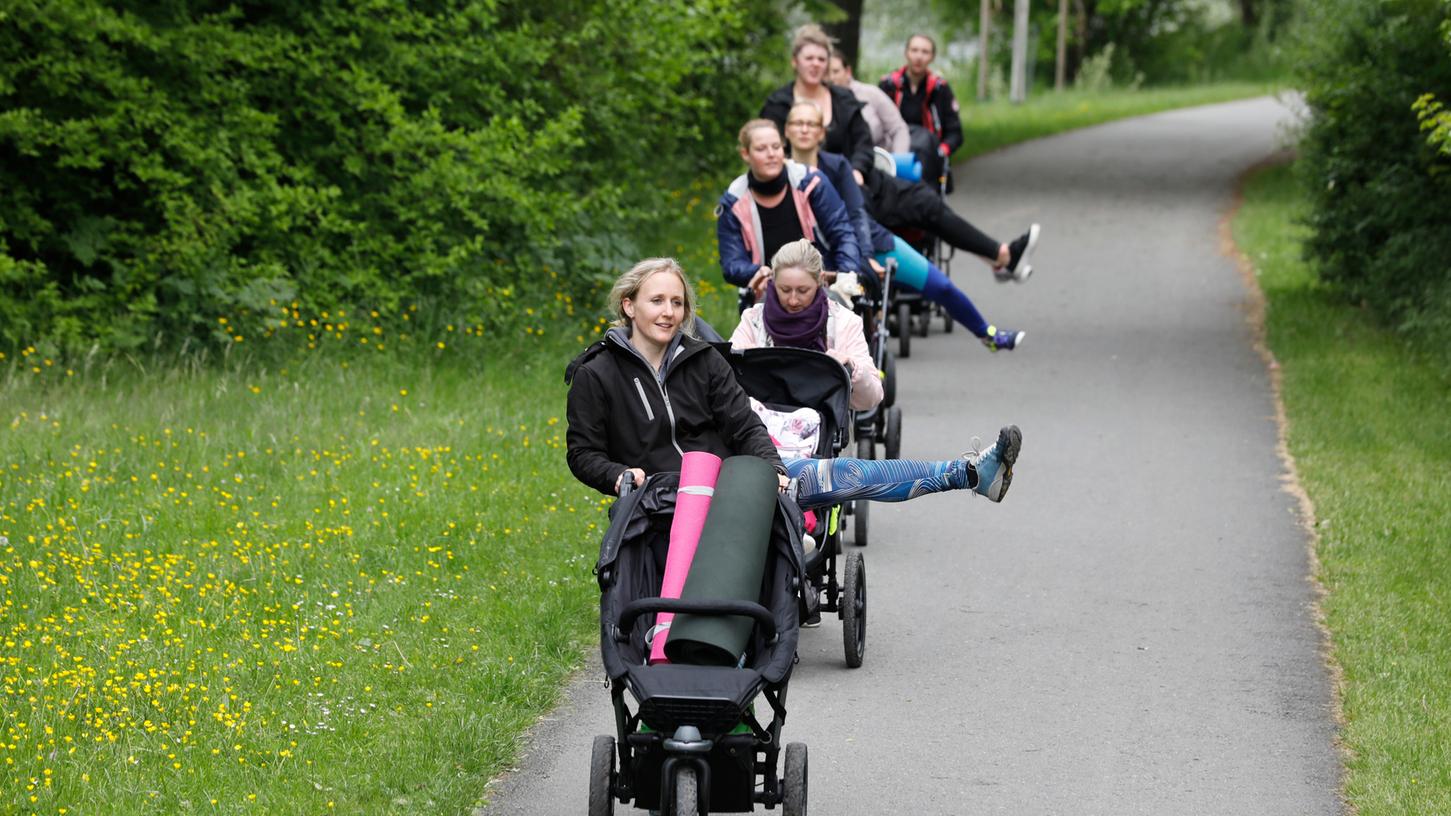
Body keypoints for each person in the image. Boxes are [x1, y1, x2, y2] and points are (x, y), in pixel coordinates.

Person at [565, 258, 1022, 508]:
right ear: (629, 306)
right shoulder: (597, 372)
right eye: (656, 301)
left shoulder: (703, 361)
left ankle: (969, 474)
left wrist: (776, 472)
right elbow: (584, 453)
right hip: (657, 499)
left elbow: (744, 428)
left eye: (677, 303)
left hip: (732, 487)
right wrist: (619, 476)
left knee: (848, 474)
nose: (668, 312)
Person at [783, 101, 1026, 349]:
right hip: (810, 256)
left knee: (940, 286)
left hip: (868, 243)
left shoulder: (839, 166)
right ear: (787, 130)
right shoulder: (778, 171)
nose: (804, 129)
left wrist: (865, 257)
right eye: (798, 123)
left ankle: (988, 334)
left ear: (822, 132)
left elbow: (857, 214)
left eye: (811, 123)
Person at [716, 118, 862, 301]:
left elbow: (843, 234)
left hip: (824, 285)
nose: (771, 154)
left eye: (776, 147)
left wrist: (845, 277)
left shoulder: (812, 182)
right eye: (761, 149)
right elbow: (732, 263)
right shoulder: (733, 202)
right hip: (768, 292)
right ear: (746, 154)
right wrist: (759, 273)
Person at [730, 239, 885, 408]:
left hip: (824, 428)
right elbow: (727, 381)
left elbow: (871, 399)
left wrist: (851, 368)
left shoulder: (843, 322)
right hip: (761, 427)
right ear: (773, 282)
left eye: (803, 291)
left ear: (820, 280)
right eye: (785, 290)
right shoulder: (753, 320)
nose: (793, 300)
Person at [760, 23, 876, 185]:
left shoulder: (845, 100)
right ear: (795, 61)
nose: (815, 64)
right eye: (809, 58)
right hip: (792, 186)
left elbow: (863, 144)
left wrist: (857, 171)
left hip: (848, 183)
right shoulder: (777, 104)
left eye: (821, 59)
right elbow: (767, 150)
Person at [879, 33, 964, 188]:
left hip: (929, 158)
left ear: (932, 57)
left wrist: (941, 151)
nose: (919, 56)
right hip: (895, 156)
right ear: (906, 53)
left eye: (925, 52)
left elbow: (955, 133)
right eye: (914, 50)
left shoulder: (940, 88)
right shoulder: (889, 85)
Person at [827, 52, 910, 154]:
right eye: (826, 73)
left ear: (848, 72)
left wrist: (898, 162)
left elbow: (898, 128)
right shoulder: (820, 100)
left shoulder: (871, 93)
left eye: (835, 72)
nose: (831, 78)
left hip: (878, 159)